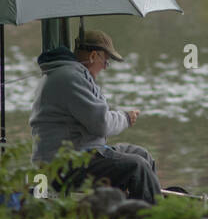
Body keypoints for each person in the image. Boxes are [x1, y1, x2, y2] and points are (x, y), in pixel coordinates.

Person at [28, 28, 161, 203]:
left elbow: (97, 117)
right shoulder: (70, 78)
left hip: (83, 152)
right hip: (63, 164)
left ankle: (134, 207)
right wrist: (126, 118)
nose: (105, 67)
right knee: (137, 166)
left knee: (142, 154)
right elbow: (101, 124)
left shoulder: (74, 75)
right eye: (105, 61)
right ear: (93, 56)